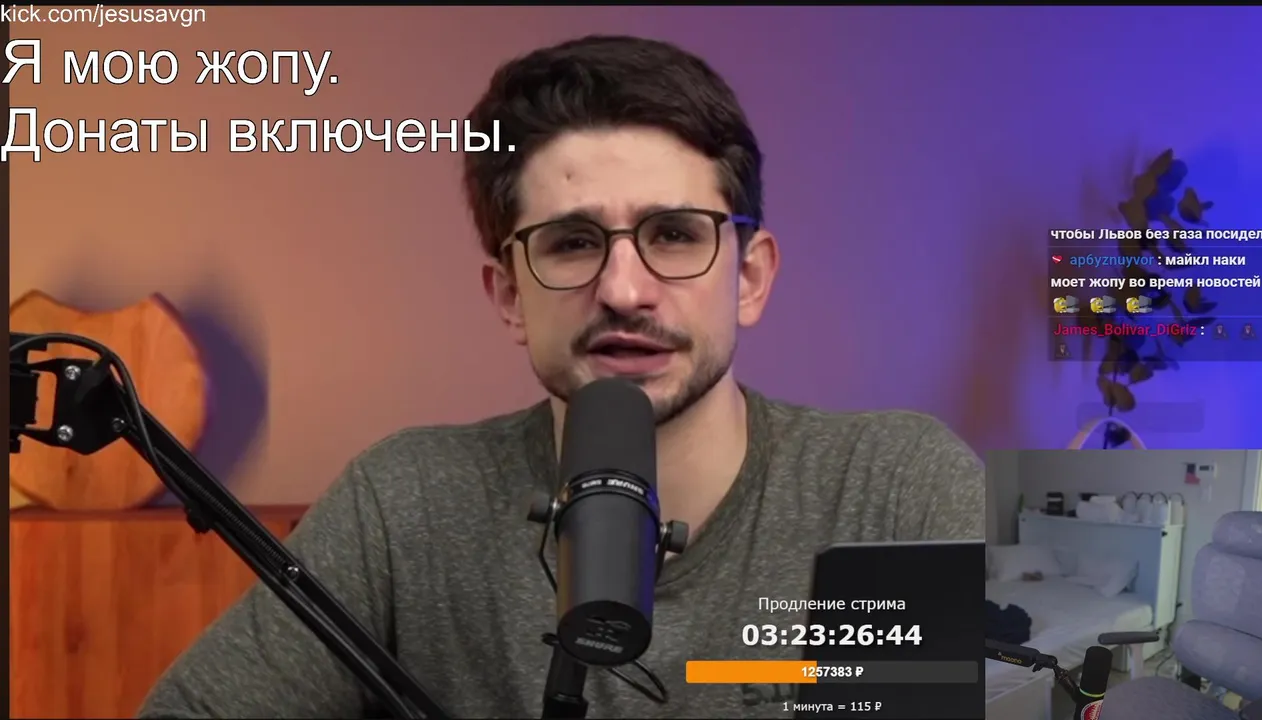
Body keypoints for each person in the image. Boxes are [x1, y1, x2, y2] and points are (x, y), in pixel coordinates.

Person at [139, 34, 984, 719]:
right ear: (510, 294)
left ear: (750, 277)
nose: (623, 290)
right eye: (573, 243)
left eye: (675, 234)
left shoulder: (897, 491)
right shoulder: (405, 504)